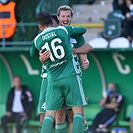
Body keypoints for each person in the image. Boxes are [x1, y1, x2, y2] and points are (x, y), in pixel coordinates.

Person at [30, 11, 87, 133]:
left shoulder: (37, 40)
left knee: (49, 115)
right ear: (52, 22)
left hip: (53, 80)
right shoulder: (63, 30)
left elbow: (32, 53)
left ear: (39, 26)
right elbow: (83, 29)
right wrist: (69, 28)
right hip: (70, 75)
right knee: (77, 113)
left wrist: (41, 55)